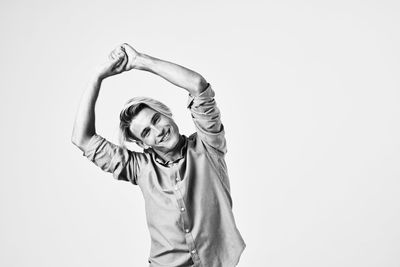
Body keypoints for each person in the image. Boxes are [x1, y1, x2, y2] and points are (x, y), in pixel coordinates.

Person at [72, 43, 245, 267]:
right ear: (141, 143)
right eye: (146, 132)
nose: (158, 131)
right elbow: (82, 139)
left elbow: (198, 86)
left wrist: (139, 61)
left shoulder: (208, 145)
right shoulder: (140, 168)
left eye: (156, 120)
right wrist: (98, 76)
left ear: (166, 114)